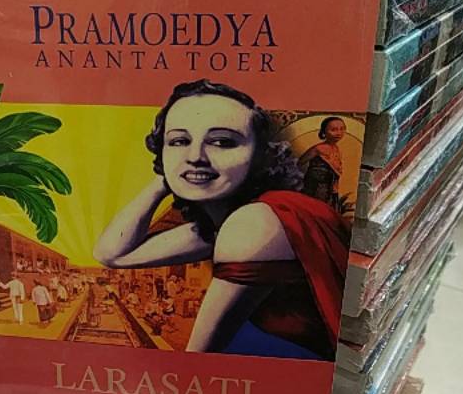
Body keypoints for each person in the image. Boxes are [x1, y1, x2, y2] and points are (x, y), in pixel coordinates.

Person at [94, 79, 350, 361]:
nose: (195, 157)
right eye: (179, 141)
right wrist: (165, 176)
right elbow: (112, 255)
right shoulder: (225, 221)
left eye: (221, 142)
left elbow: (197, 361)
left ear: (260, 155)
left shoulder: (254, 223)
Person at [299, 116, 347, 212]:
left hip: (330, 188)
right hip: (316, 188)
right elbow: (299, 162)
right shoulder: (319, 148)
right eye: (333, 130)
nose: (339, 133)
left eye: (342, 129)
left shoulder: (336, 149)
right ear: (324, 132)